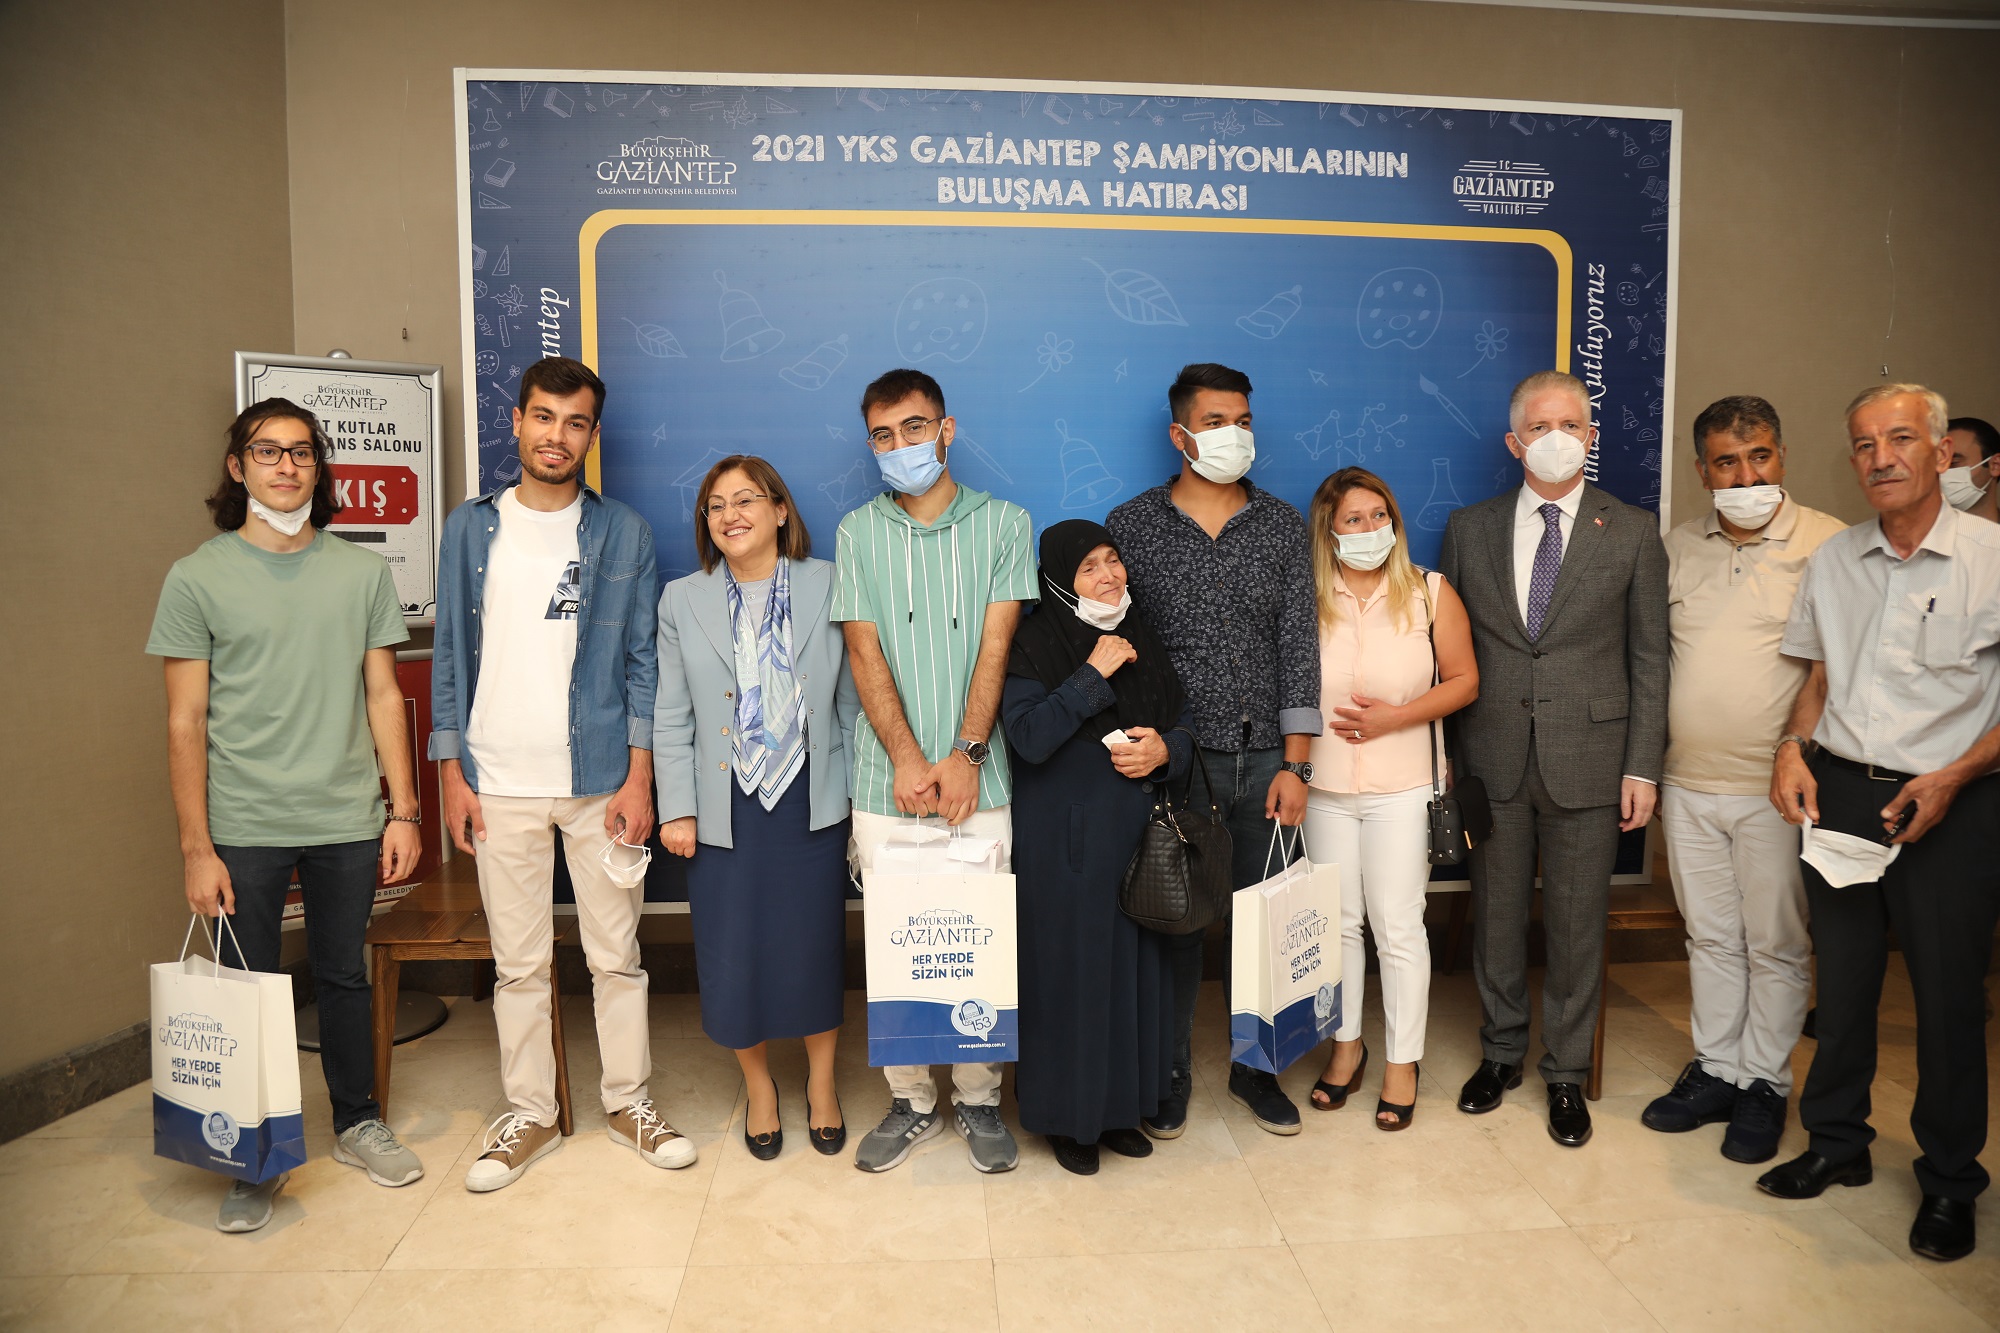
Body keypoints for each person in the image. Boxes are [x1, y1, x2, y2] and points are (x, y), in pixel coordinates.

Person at [148, 398, 425, 1234]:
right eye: (267, 451)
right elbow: (185, 720)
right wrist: (196, 848)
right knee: (250, 992)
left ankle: (358, 1121)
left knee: (343, 975)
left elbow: (384, 695)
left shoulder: (361, 573)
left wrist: (404, 810)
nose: (286, 466)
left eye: (302, 452)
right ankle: (253, 1157)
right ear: (238, 468)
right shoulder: (197, 577)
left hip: (346, 814)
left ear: (318, 467)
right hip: (244, 823)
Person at [431, 356, 693, 1192]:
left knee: (616, 957)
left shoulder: (625, 532)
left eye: (575, 422)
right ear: (516, 421)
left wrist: (639, 777)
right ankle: (531, 1113)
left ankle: (630, 1103)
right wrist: (451, 772)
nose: (557, 435)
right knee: (518, 963)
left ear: (592, 434)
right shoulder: (469, 528)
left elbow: (645, 662)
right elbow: (449, 655)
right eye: (543, 417)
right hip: (496, 780)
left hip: (600, 777)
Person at [1760, 384, 2000, 1265]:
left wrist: (1956, 775)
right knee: (1845, 983)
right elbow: (1819, 679)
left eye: (1900, 439)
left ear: (1942, 452)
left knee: (1946, 996)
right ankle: (1837, 1141)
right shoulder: (1836, 560)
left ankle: (1949, 1179)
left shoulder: (1992, 557)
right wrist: (1792, 748)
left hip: (1956, 802)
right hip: (1844, 795)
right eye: (1864, 444)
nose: (1881, 458)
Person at [1438, 369, 1668, 1148]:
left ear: (1591, 436)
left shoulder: (1631, 530)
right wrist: (1448, 756)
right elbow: (1446, 653)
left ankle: (1565, 1071)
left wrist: (1642, 766)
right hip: (1492, 756)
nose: (1556, 437)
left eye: (1571, 424)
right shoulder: (1468, 528)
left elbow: (1650, 657)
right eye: (1539, 426)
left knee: (1576, 926)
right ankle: (1500, 1053)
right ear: (1515, 442)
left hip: (1593, 758)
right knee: (1497, 919)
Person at [1107, 363, 1322, 1139]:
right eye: (1217, 421)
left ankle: (1257, 1067)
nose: (1236, 434)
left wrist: (1297, 764)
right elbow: (1119, 643)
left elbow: (1299, 646)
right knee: (1177, 922)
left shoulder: (1281, 525)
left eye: (1244, 420)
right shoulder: (1131, 525)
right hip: (1180, 761)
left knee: (1263, 922)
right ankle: (1169, 1073)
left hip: (1267, 760)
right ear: (1181, 434)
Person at [834, 367, 1037, 1174]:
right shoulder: (857, 532)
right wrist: (909, 759)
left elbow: (998, 644)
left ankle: (980, 1099)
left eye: (914, 428)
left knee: (976, 937)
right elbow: (863, 649)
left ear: (946, 430)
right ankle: (912, 1099)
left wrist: (966, 755)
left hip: (978, 776)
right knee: (899, 941)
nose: (901, 445)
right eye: (883, 435)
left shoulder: (1006, 524)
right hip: (887, 779)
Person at [1642, 396, 1845, 1164]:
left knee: (1776, 942)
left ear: (1782, 456)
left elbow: (1834, 671)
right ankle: (1718, 1068)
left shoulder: (1828, 544)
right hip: (1688, 782)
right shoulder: (1676, 548)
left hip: (1777, 788)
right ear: (1702, 471)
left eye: (1759, 456)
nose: (1745, 475)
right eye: (1726, 461)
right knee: (1711, 936)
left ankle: (1765, 1081)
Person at [655, 455, 859, 1160]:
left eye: (745, 500)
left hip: (810, 794)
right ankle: (761, 1088)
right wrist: (677, 808)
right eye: (715, 505)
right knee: (732, 953)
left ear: (779, 510)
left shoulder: (829, 580)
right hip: (724, 801)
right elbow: (671, 711)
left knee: (814, 946)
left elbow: (853, 699)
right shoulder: (682, 599)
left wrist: (862, 802)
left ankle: (822, 1083)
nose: (730, 515)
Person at [1001, 520, 1194, 1175]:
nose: (1109, 575)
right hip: (1066, 846)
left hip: (1139, 841)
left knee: (1133, 976)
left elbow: (1183, 721)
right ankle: (1067, 1118)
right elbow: (1028, 736)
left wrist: (1166, 751)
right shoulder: (1033, 641)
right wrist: (1092, 672)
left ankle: (1119, 1110)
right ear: (1059, 580)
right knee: (1070, 976)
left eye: (1113, 560)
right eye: (1089, 567)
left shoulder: (1142, 633)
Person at [1302, 468, 1478, 1130]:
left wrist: (1394, 718)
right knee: (1339, 924)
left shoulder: (1430, 591)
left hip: (1405, 788)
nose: (1371, 528)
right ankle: (1347, 1047)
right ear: (1329, 529)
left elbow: (1464, 681)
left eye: (1380, 516)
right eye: (1354, 518)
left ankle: (1404, 1061)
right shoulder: (1305, 597)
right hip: (1323, 789)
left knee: (1398, 926)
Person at [1942, 416, 2000, 524]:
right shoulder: (1918, 533)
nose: (1941, 472)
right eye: (1936, 464)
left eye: (1953, 463)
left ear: (1995, 465)